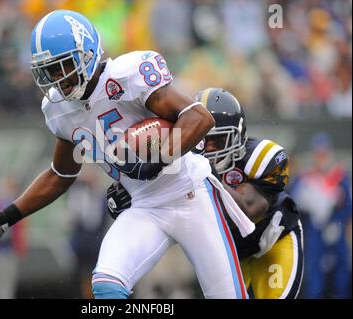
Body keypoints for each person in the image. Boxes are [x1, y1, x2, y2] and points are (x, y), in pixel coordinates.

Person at [0, 10, 255, 299]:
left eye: (63, 66)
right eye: (49, 71)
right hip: (144, 206)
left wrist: (158, 158)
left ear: (87, 53)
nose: (58, 78)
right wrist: (4, 219)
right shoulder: (59, 110)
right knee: (107, 284)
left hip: (191, 194)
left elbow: (199, 118)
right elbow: (60, 175)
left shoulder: (128, 75)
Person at [107, 88, 304, 299]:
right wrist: (134, 194)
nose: (207, 149)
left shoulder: (258, 158)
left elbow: (248, 211)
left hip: (271, 244)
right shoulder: (181, 160)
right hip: (228, 254)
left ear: (238, 136)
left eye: (216, 142)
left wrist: (205, 172)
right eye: (201, 140)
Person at [290, 132, 351, 298]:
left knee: (341, 271)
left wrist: (338, 224)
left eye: (323, 154)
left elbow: (347, 205)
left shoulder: (340, 176)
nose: (321, 158)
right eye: (318, 154)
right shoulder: (306, 178)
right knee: (314, 272)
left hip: (336, 232)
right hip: (314, 232)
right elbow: (293, 204)